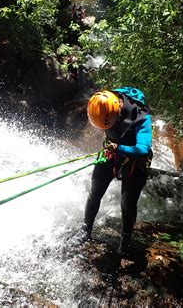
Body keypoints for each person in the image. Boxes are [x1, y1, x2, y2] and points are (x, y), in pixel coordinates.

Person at [75, 87, 153, 256]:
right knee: (94, 193)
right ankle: (85, 231)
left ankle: (125, 242)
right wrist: (114, 148)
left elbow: (143, 148)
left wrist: (120, 148)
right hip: (112, 149)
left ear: (116, 112)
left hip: (135, 158)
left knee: (127, 203)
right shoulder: (101, 104)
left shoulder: (141, 117)